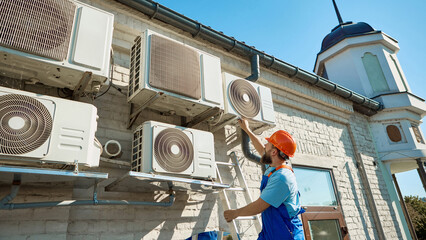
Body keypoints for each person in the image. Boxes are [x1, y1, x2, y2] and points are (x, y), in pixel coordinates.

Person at [223, 119, 305, 240]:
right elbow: (262, 150)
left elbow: (259, 206)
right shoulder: (274, 166)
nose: (265, 145)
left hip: (286, 233)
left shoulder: (282, 177)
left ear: (274, 152)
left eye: (269, 144)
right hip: (272, 230)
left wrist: (235, 213)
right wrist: (247, 129)